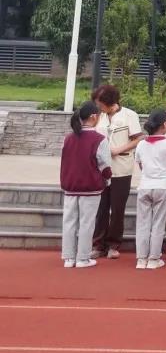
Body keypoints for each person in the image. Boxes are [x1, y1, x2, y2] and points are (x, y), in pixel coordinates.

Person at [91, 84, 143, 260]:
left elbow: (138, 139)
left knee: (117, 208)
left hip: (121, 167)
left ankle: (113, 244)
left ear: (110, 102)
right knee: (101, 208)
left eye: (100, 103)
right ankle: (98, 244)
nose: (98, 107)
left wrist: (118, 149)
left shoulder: (129, 115)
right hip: (101, 169)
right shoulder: (99, 117)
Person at [60, 102, 111, 269]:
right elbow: (105, 166)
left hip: (70, 186)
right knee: (86, 223)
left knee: (69, 222)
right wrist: (107, 180)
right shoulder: (99, 139)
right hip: (91, 187)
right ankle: (82, 258)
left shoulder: (68, 138)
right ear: (94, 117)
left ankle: (69, 257)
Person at [133, 109, 166, 270]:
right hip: (163, 186)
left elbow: (140, 164)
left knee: (143, 223)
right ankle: (153, 259)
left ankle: (141, 259)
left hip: (145, 185)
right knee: (158, 223)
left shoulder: (141, 144)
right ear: (165, 124)